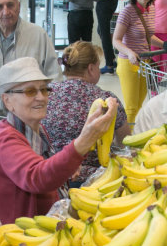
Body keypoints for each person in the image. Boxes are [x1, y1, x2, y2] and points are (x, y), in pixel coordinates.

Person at [0, 57, 118, 223]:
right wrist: (84, 141)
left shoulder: (36, 129)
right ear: (7, 101)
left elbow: (42, 166)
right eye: (30, 91)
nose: (41, 97)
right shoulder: (5, 140)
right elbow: (36, 177)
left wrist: (67, 166)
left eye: (44, 89)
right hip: (27, 237)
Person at [43, 41, 129, 186]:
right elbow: (125, 141)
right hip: (93, 180)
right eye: (98, 66)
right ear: (91, 69)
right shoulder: (107, 100)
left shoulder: (45, 93)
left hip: (49, 172)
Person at [112, 0, 167, 125]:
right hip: (128, 63)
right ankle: (126, 141)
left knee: (138, 105)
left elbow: (149, 36)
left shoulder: (151, 9)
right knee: (130, 108)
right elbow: (116, 40)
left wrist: (165, 45)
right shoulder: (128, 11)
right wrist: (130, 52)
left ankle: (132, 134)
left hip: (144, 63)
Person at [95, 0, 122, 74]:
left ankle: (109, 65)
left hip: (104, 0)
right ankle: (111, 58)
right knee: (101, 30)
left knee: (104, 31)